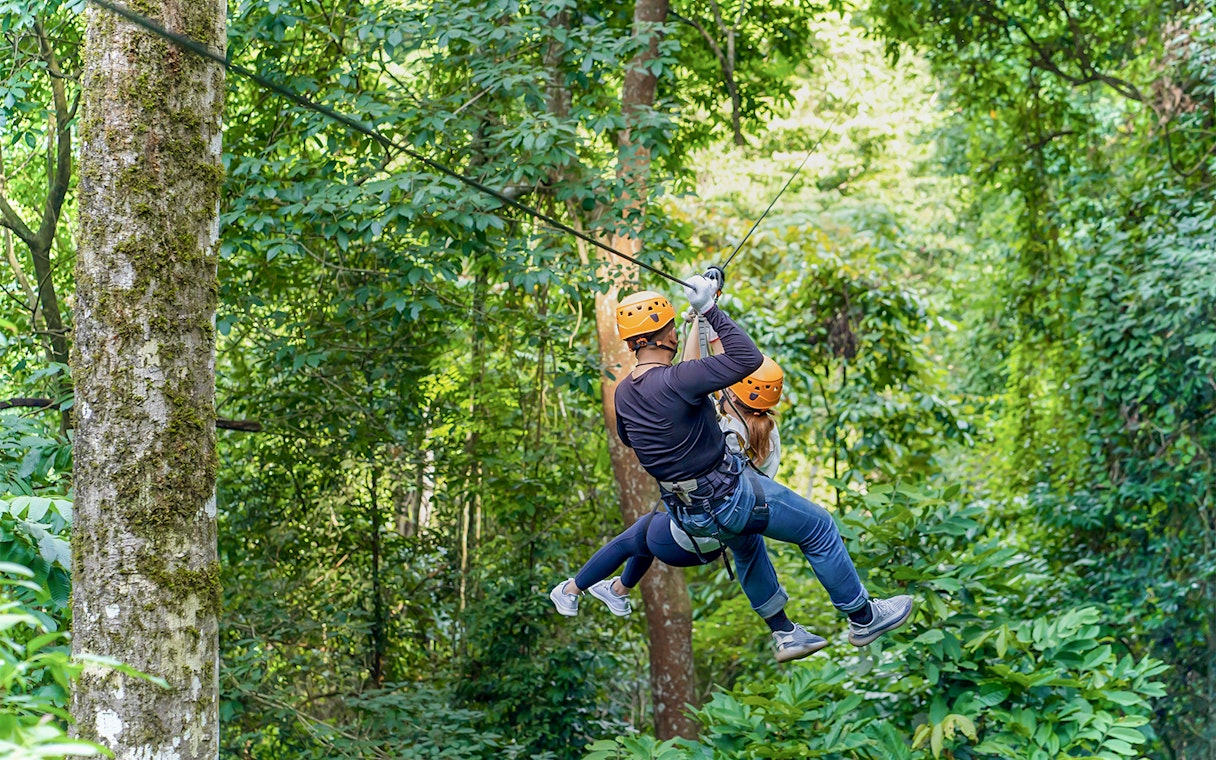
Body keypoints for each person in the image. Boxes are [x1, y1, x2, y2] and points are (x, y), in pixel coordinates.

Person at [603, 278, 913, 653]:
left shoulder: (625, 392)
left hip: (688, 514)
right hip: (729, 498)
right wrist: (710, 311)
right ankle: (864, 618)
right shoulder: (679, 381)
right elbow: (747, 359)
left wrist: (701, 318)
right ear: (667, 334)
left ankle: (784, 632)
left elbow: (631, 436)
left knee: (746, 544)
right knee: (818, 527)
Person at [550, 355, 819, 662]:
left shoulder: (721, 432)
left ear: (733, 395)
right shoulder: (771, 435)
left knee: (639, 534)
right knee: (645, 535)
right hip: (722, 535)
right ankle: (619, 589)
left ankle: (572, 589)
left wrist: (703, 327)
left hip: (687, 539)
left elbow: (689, 375)